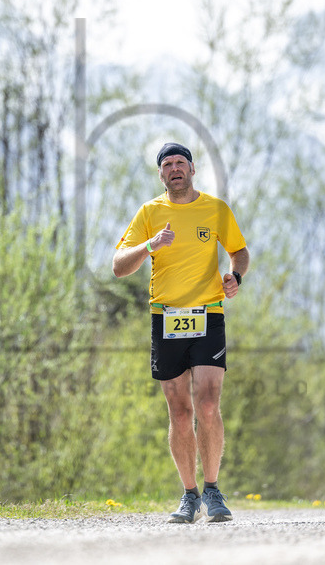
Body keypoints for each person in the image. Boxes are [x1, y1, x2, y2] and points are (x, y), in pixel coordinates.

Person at [113, 142, 249, 524]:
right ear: (161, 174)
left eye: (181, 163)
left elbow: (239, 251)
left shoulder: (216, 209)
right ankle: (189, 495)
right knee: (179, 410)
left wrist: (234, 276)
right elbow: (118, 266)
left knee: (207, 405)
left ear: (193, 169)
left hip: (208, 313)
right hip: (166, 317)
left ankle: (213, 489)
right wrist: (149, 245)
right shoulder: (150, 213)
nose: (175, 169)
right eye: (168, 164)